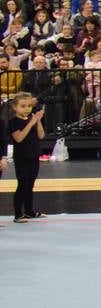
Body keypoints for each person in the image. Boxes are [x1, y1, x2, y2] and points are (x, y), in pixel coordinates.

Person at [8, 92, 46, 222]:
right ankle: (18, 214)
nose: (27, 109)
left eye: (29, 106)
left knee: (30, 184)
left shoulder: (33, 119)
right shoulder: (13, 122)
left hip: (34, 155)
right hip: (21, 157)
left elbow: (41, 136)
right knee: (22, 184)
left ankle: (29, 211)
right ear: (15, 107)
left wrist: (38, 121)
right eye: (23, 106)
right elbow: (19, 138)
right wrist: (31, 123)